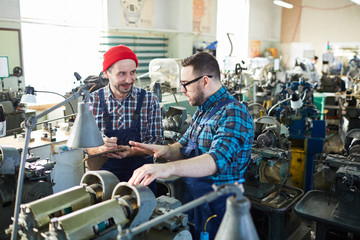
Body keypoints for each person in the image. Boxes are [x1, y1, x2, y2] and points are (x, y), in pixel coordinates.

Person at [128, 52, 254, 239]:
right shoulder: (203, 111)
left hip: (221, 206)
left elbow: (215, 161)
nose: (182, 90)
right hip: (195, 201)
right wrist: (165, 151)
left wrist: (168, 169)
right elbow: (184, 146)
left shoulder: (233, 112)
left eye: (185, 84)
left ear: (204, 81)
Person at [85, 45, 163, 193]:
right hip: (104, 182)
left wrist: (132, 151)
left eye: (132, 73)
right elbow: (85, 144)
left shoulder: (149, 100)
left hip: (141, 179)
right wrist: (100, 148)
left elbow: (156, 141)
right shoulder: (92, 101)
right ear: (107, 73)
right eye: (121, 74)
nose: (129, 79)